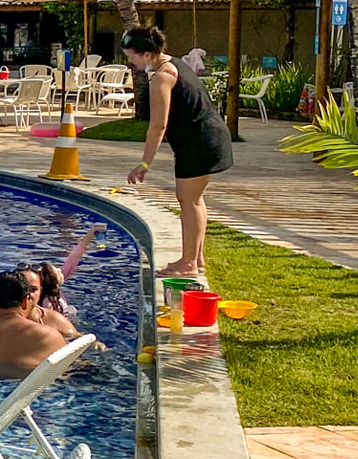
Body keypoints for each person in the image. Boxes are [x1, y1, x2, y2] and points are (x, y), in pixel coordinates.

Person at [124, 25, 231, 278]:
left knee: (189, 200)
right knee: (193, 200)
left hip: (199, 143)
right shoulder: (176, 63)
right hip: (206, 139)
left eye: (132, 57)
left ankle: (188, 263)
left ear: (147, 54)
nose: (132, 64)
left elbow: (158, 125)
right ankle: (196, 258)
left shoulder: (162, 77)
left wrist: (145, 164)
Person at [35, 223, 105, 320]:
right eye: (57, 271)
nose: (60, 270)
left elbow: (72, 260)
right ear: (53, 281)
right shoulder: (47, 304)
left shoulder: (53, 289)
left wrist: (89, 236)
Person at [12, 264, 79, 338]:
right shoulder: (0, 321)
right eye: (21, 288)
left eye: (33, 289)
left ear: (41, 290)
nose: (27, 294)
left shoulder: (55, 320)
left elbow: (85, 342)